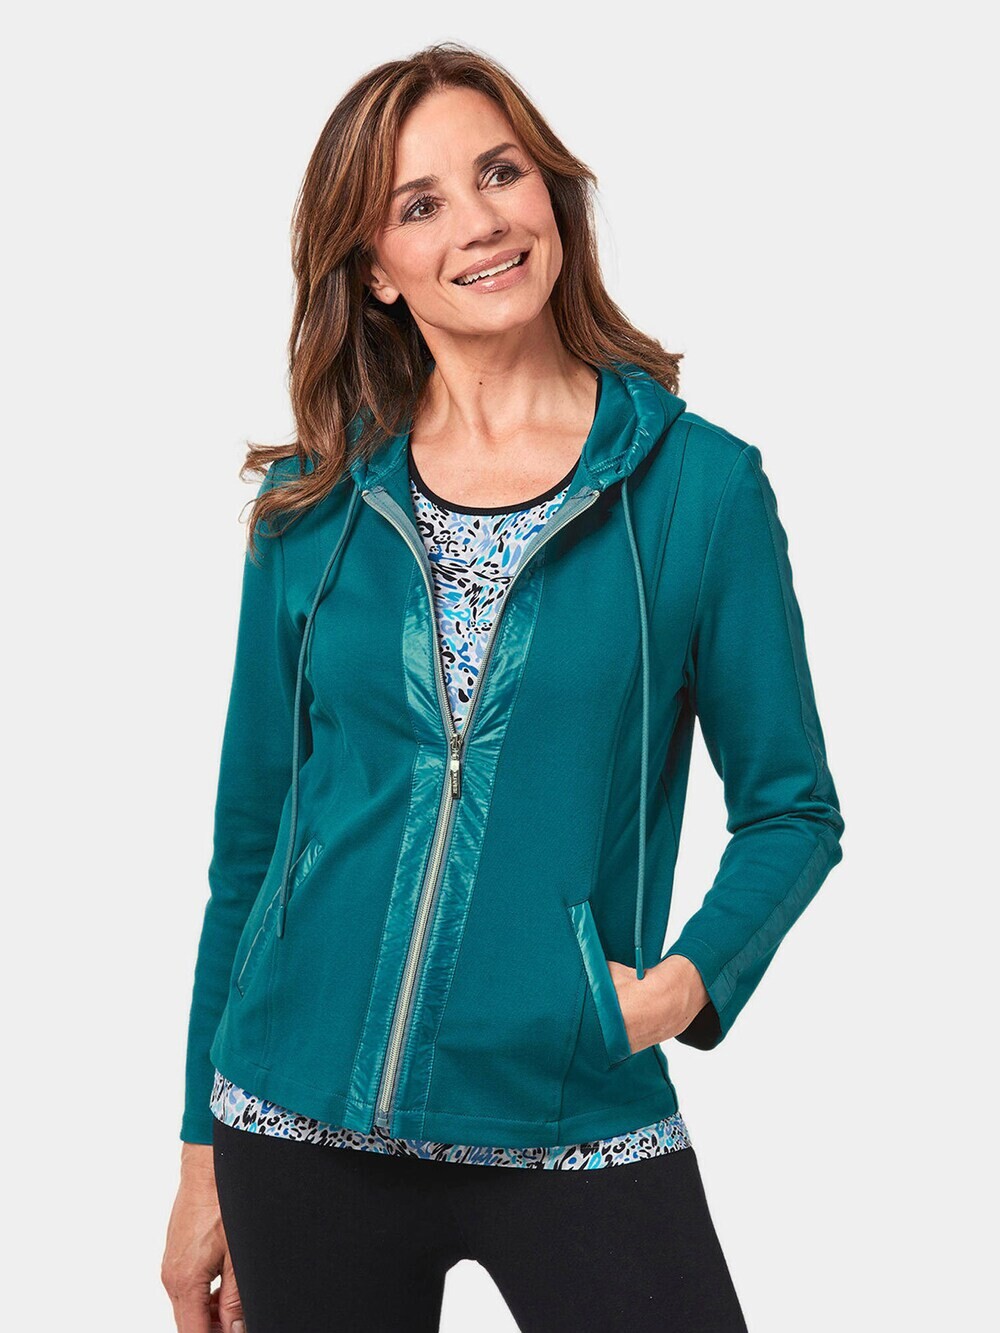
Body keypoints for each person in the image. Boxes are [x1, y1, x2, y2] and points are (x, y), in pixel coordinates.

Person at [161, 41, 845, 1333]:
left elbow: (794, 808)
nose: (479, 222)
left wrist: (681, 984)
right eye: (420, 204)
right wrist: (200, 1154)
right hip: (296, 1121)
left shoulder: (700, 491)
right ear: (375, 267)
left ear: (551, 194)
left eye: (500, 173)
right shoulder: (311, 506)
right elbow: (249, 848)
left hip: (568, 1104)